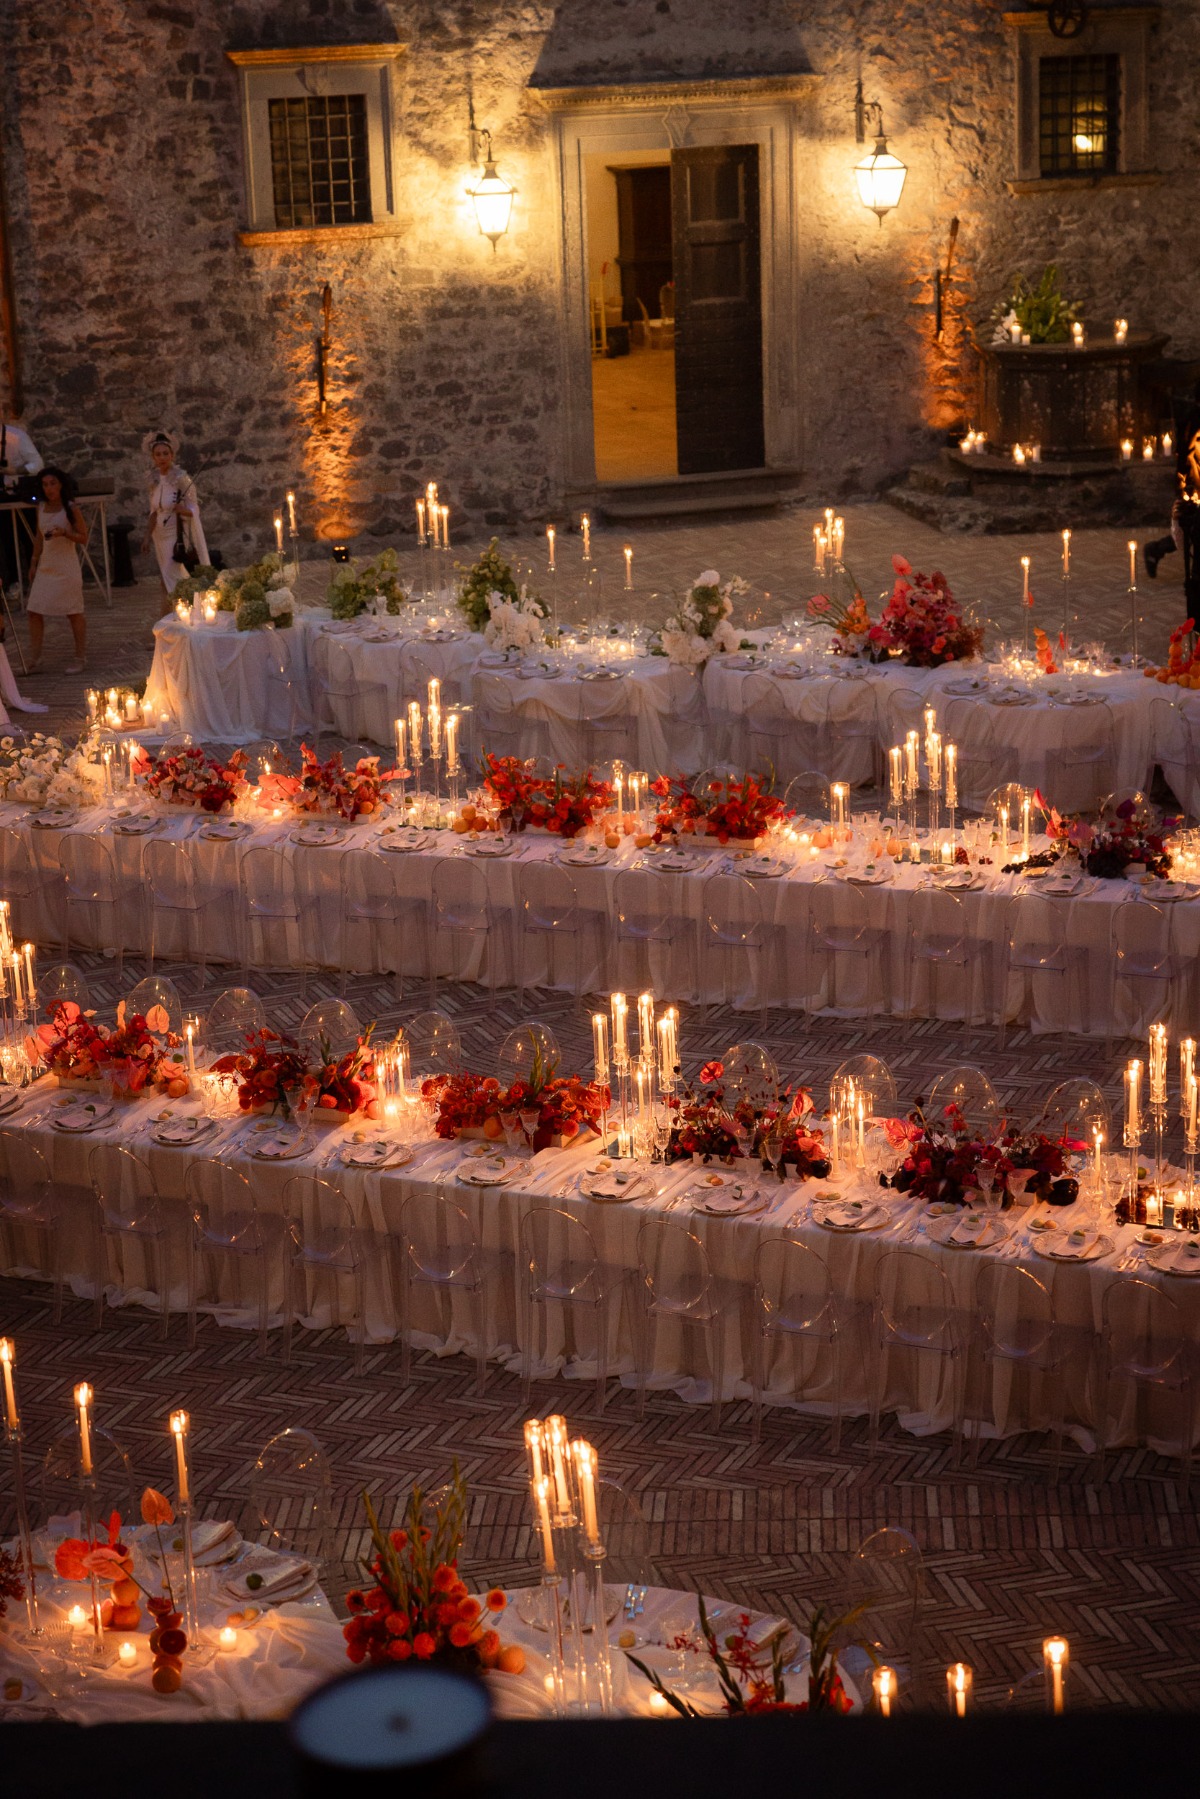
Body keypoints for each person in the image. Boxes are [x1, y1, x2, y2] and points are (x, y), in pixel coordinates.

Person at [26, 466, 87, 674]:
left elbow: (84, 537)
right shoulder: (41, 507)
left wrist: (65, 534)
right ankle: (35, 658)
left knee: (73, 612)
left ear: (61, 484)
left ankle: (80, 657)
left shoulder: (70, 508)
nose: (49, 488)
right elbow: (38, 537)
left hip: (66, 567)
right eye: (45, 484)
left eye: (52, 483)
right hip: (47, 566)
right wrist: (33, 562)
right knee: (34, 610)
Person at [141, 429, 208, 614]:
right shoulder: (153, 479)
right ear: (153, 457)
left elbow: (194, 508)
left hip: (175, 532)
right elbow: (153, 511)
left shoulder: (181, 478)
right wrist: (147, 536)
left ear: (172, 455)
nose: (162, 458)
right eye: (158, 454)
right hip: (159, 534)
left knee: (173, 573)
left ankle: (186, 611)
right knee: (167, 576)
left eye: (165, 453)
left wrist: (182, 510)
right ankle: (172, 613)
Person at [0, 413, 43, 598]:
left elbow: (38, 464)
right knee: (7, 541)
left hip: (20, 495)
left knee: (29, 539)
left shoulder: (16, 436)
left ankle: (38, 582)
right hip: (1, 498)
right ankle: (14, 582)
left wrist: (15, 470)